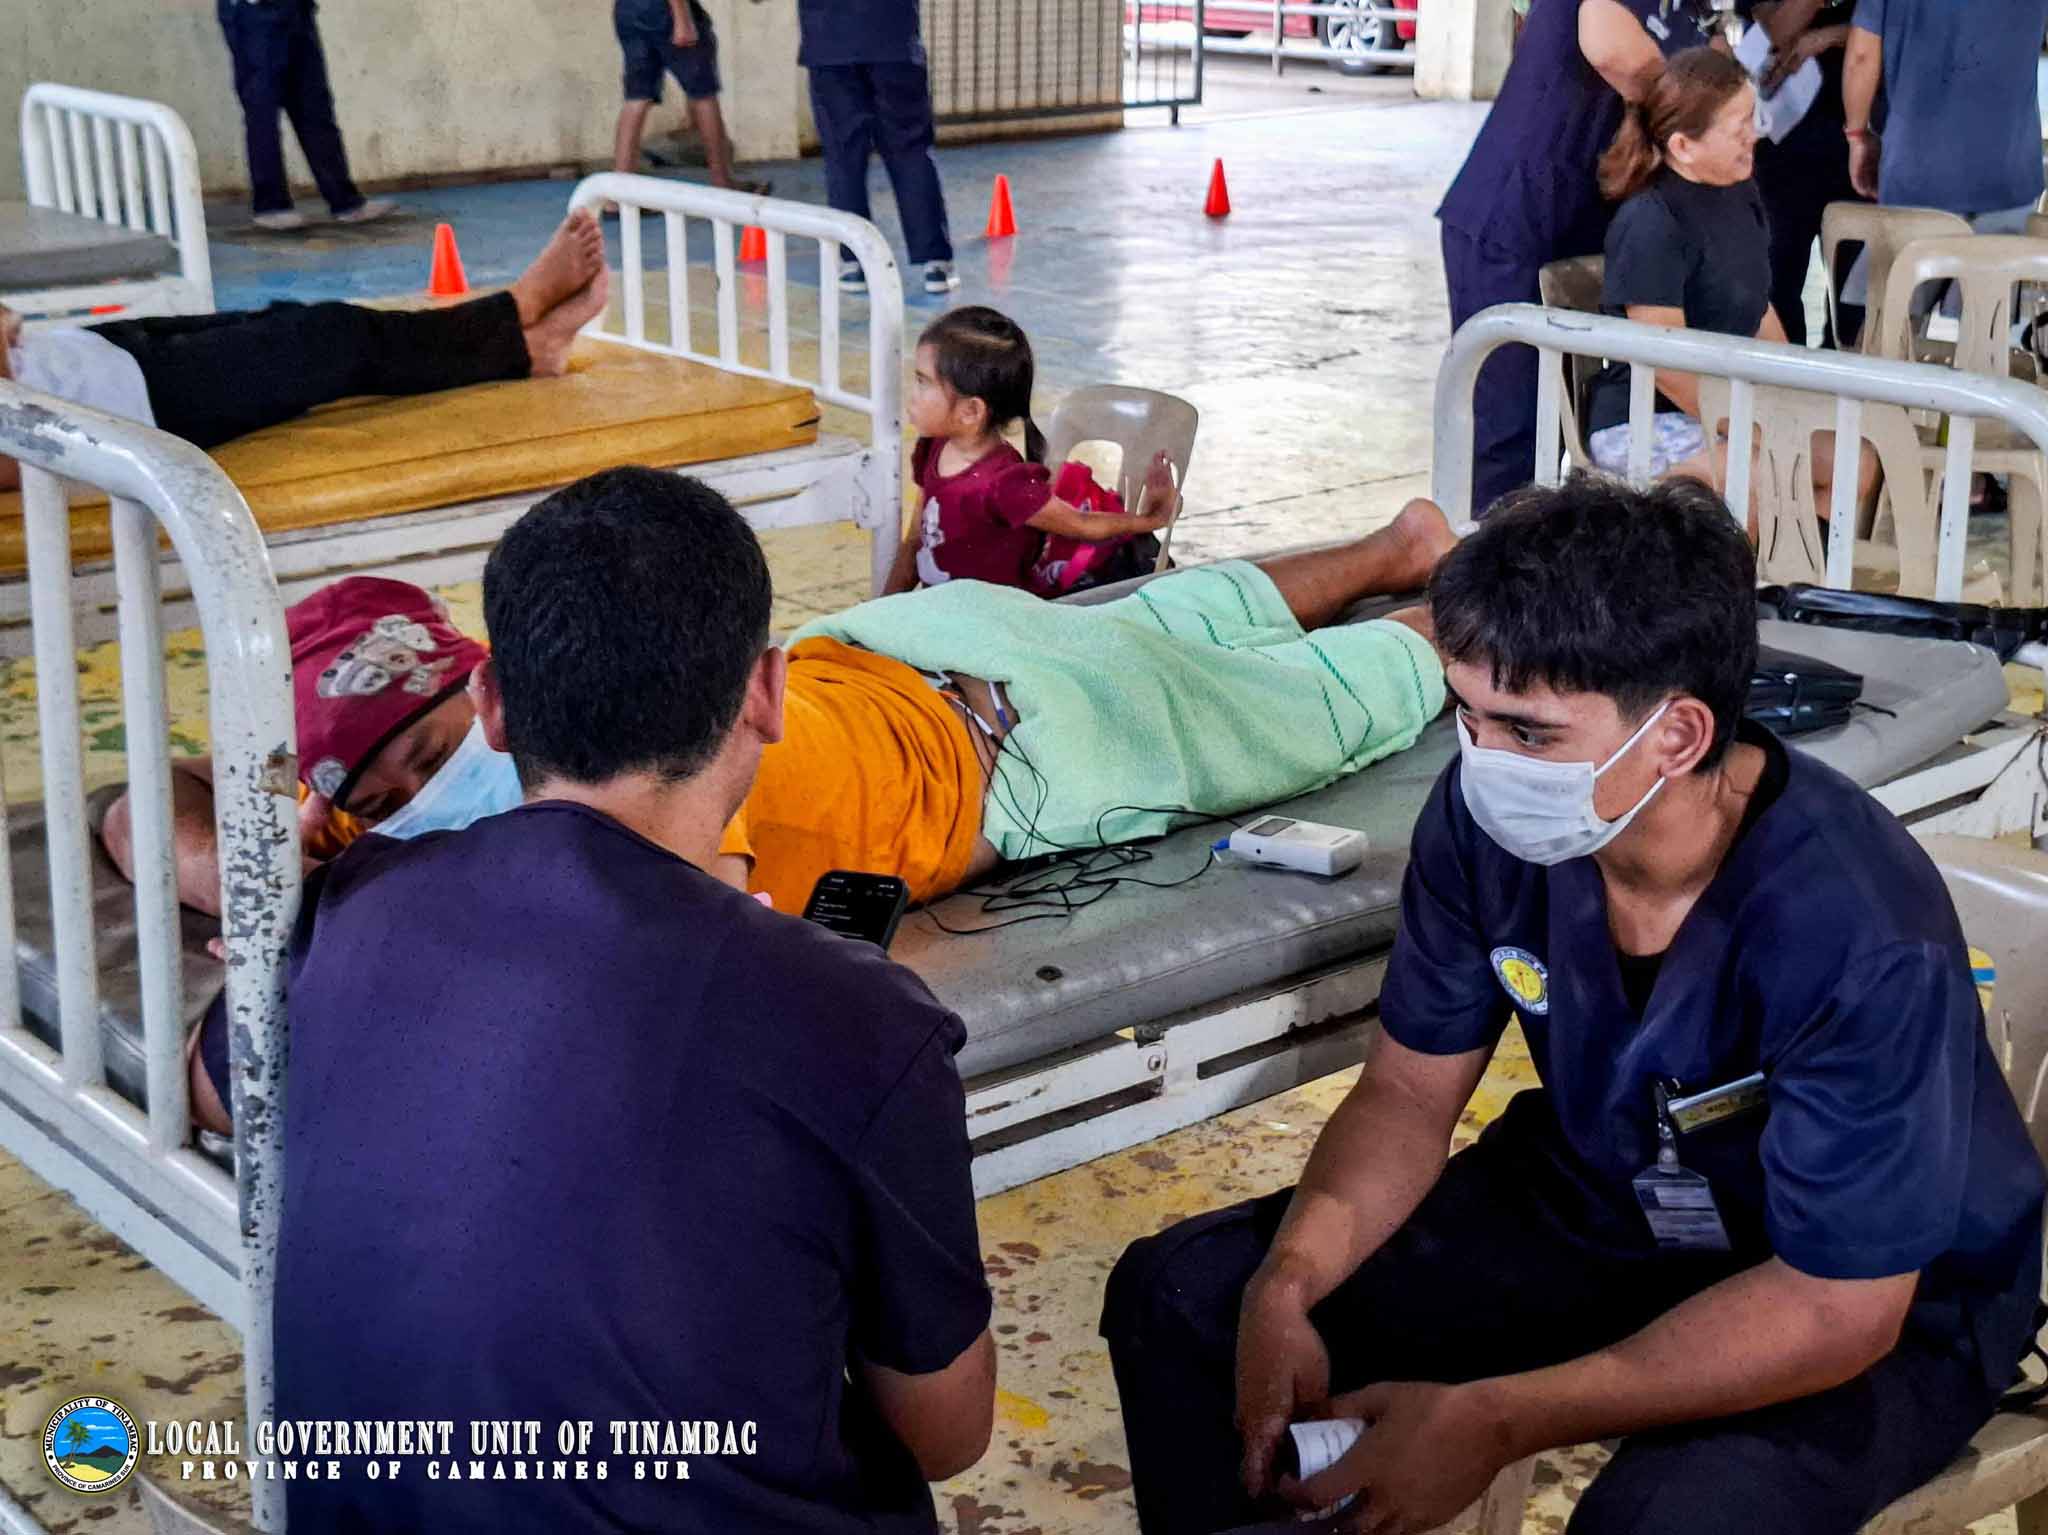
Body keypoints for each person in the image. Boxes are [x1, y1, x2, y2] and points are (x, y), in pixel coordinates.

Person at [1100, 474, 2046, 1535]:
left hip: (1875, 1287)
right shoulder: (1488, 823)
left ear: (1677, 735)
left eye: (1530, 732)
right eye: (1466, 713)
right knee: (1189, 1297)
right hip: (1622, 1191)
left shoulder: (1856, 929)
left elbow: (1840, 1304)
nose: (1483, 761)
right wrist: (1287, 1280)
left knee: (1670, 1519)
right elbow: (1407, 1094)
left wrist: (1497, 1417)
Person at [108, 495, 1457, 1133]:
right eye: (378, 791)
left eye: (425, 752)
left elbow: (726, 955)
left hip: (1037, 746)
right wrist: (263, 869)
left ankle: (1440, 606)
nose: (411, 795)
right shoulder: (436, 804)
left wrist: (309, 914)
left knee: (1318, 706)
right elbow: (133, 807)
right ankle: (1395, 542)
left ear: (492, 697)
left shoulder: (643, 842)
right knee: (1173, 615)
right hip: (896, 642)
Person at [271, 470, 996, 1532]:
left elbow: (214, 1076)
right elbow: (945, 1434)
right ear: (767, 693)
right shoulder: (858, 1018)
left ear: (493, 707)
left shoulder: (350, 907)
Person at [0, 212, 609, 491]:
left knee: (288, 323)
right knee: (336, 338)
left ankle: (527, 347)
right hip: (129, 410)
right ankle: (517, 316)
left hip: (88, 357)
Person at [1437, 0, 1719, 518]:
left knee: (1554, 436)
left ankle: (1535, 559)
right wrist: (1696, 117)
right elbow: (1612, 49)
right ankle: (1479, 562)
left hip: (1581, 226)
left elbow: (1719, 75)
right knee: (1510, 438)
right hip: (1516, 218)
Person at [1584, 48, 1875, 513]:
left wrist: (1792, 397)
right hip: (1645, 420)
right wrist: (1752, 427)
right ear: (1683, 147)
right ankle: (1680, 547)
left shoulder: (1740, 193)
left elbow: (1757, 308)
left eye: (1752, 120)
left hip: (1727, 410)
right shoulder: (1651, 221)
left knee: (1855, 462)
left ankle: (1791, 559)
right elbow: (1667, 365)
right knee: (1759, 473)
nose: (1753, 136)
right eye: (1738, 128)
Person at [881, 307, 1178, 594]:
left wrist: (1151, 519)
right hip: (941, 612)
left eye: (923, 382)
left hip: (994, 619)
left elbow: (1080, 523)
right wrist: (878, 611)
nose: (912, 395)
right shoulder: (933, 447)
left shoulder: (1006, 484)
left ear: (971, 411)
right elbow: (915, 542)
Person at [796, 0, 958, 296]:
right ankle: (934, 261)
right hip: (893, 39)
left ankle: (852, 262)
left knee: (843, 157)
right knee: (910, 150)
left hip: (829, 43)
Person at [1844, 0, 2048, 233]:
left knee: (1902, 256)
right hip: (2010, 177)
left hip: (1915, 179)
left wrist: (1857, 136)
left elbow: (1861, 58)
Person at [1740, 0, 1862, 347]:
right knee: (1774, 285)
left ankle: (1846, 376)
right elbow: (1775, 29)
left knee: (1855, 302)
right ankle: (1780, 377)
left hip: (1861, 144)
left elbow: (1896, 31)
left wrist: (1831, 35)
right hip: (1782, 142)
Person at [215, 0, 394, 231]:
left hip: (296, 10)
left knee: (315, 108)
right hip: (254, 13)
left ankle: (345, 202)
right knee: (263, 112)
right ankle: (271, 206)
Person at [609, 0, 772, 196]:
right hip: (666, 11)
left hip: (628, 10)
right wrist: (682, 18)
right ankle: (723, 182)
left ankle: (616, 195)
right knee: (703, 95)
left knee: (637, 98)